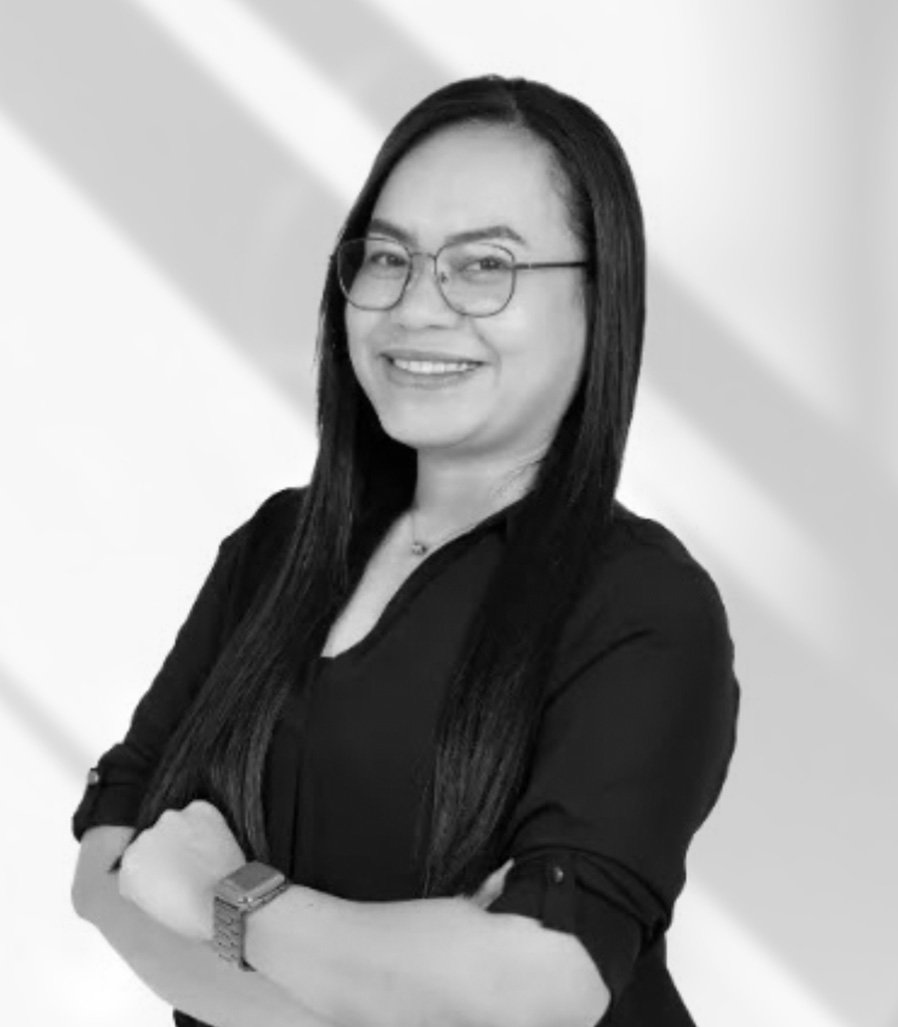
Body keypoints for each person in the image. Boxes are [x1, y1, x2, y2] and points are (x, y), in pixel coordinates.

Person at [70, 74, 739, 1027]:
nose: (417, 306)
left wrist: (227, 896)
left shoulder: (642, 604)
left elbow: (536, 986)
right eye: (388, 257)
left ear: (600, 298)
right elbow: (108, 870)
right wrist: (398, 978)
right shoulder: (275, 550)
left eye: (485, 264)